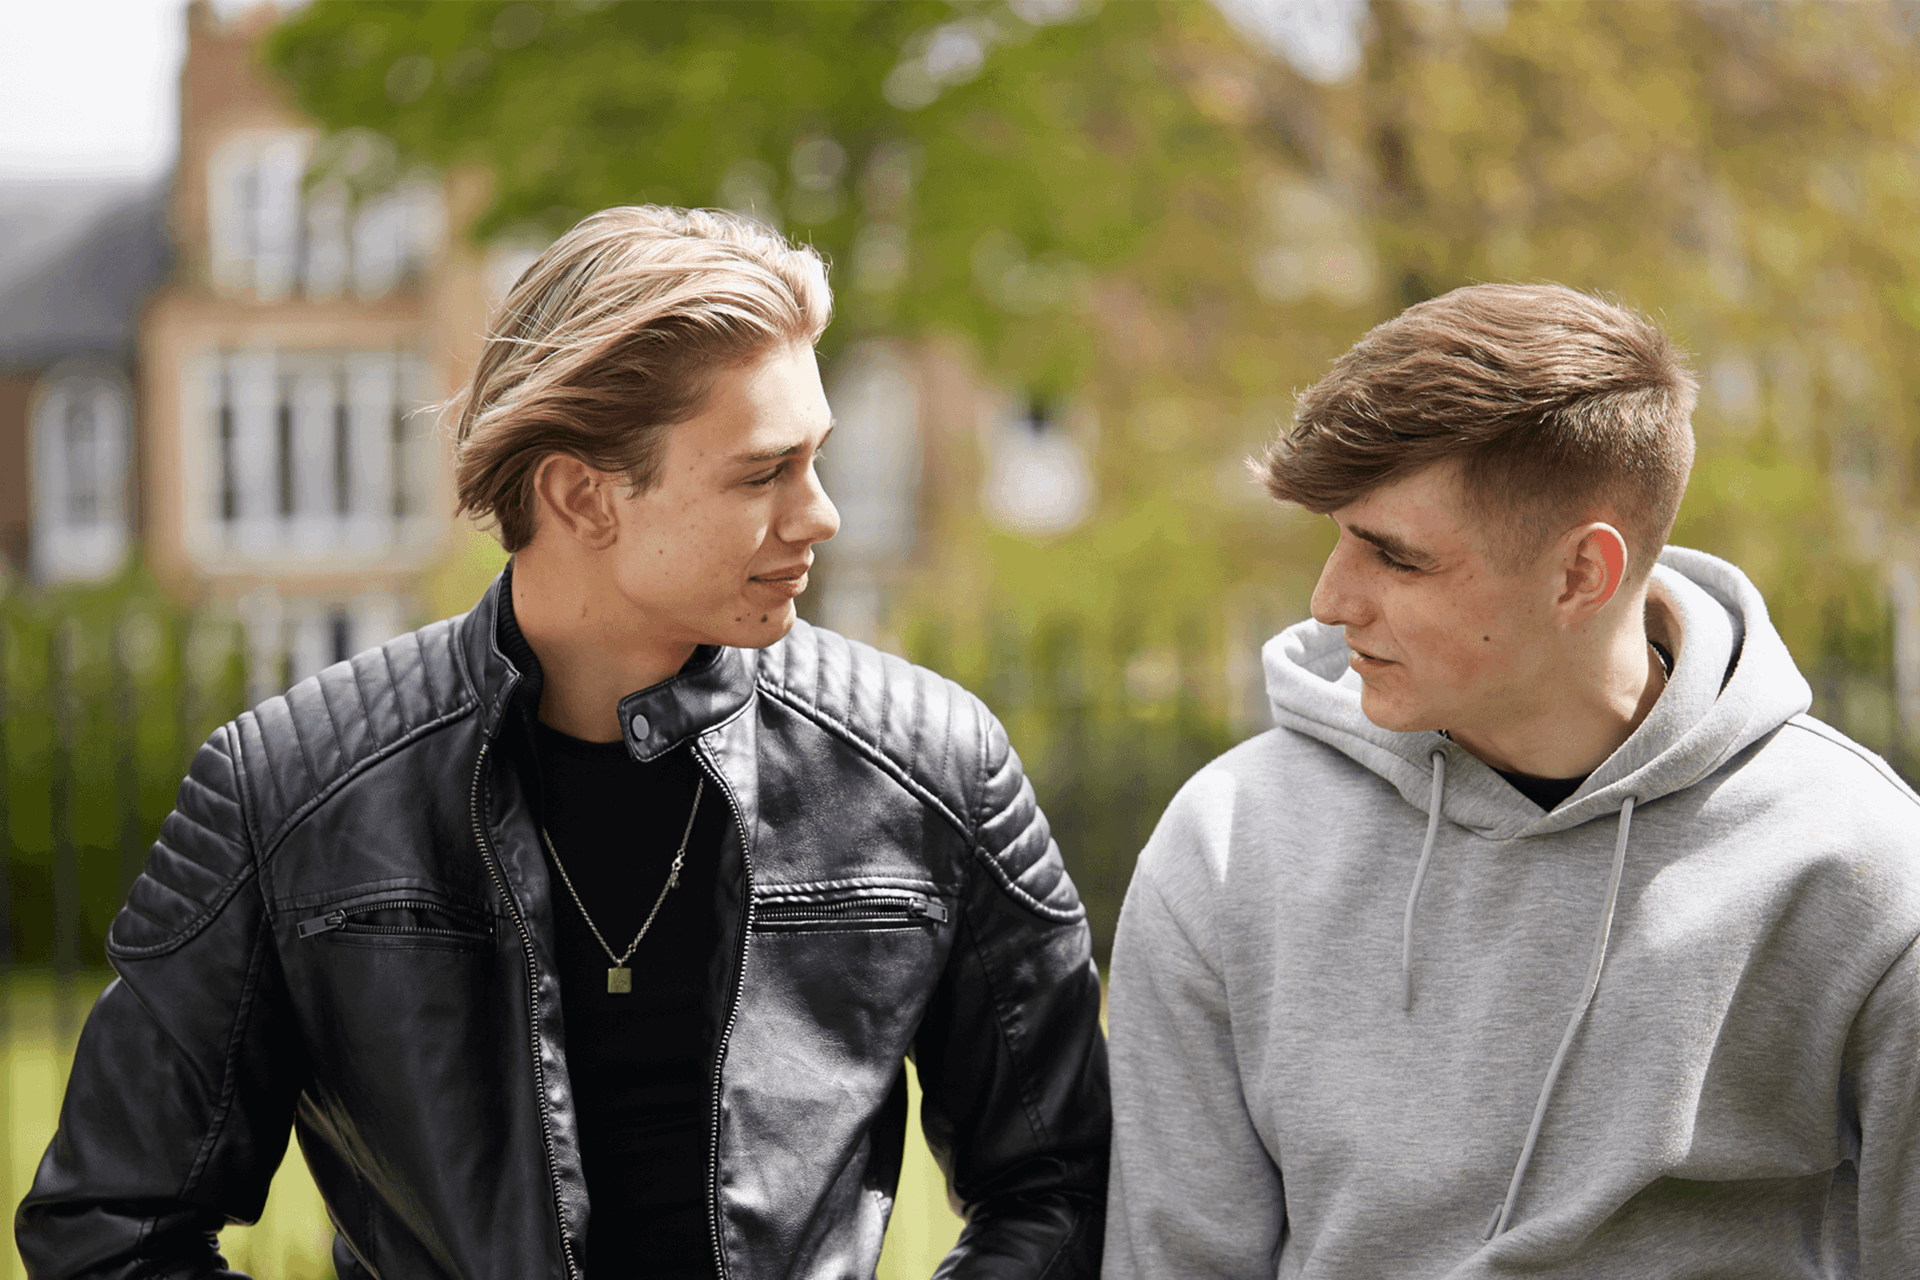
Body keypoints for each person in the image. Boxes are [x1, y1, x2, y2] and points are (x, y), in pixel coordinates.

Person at [19, 206, 1109, 1278]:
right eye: (762, 471)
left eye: (814, 457)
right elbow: (109, 1226)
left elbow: (1062, 1185)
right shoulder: (290, 786)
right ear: (582, 494)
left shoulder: (933, 766)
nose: (820, 513)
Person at [1103, 284, 1920, 1277]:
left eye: (1394, 556)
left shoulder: (1863, 867)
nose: (1329, 599)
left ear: (1582, 574)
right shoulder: (1230, 846)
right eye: (1338, 534)